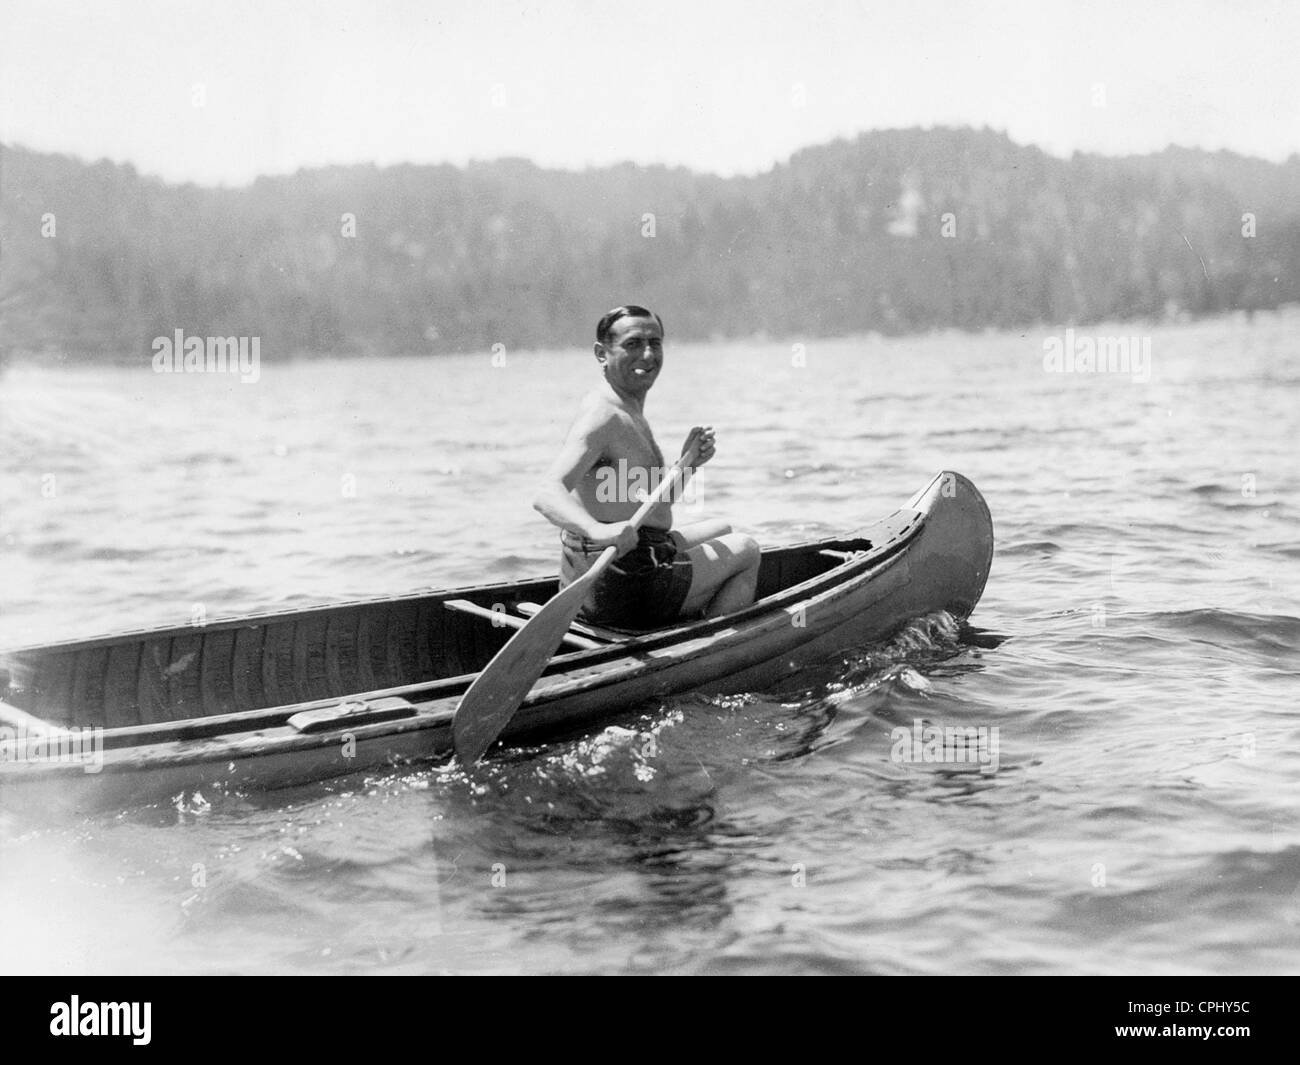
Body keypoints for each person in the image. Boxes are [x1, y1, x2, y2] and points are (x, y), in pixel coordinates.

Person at [533, 305, 761, 628]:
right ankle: (706, 648)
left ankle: (694, 607)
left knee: (723, 528)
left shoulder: (627, 408)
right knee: (747, 550)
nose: (648, 354)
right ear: (602, 354)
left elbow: (652, 505)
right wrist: (599, 530)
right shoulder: (604, 416)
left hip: (629, 559)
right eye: (633, 344)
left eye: (655, 343)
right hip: (623, 581)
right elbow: (546, 493)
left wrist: (689, 464)